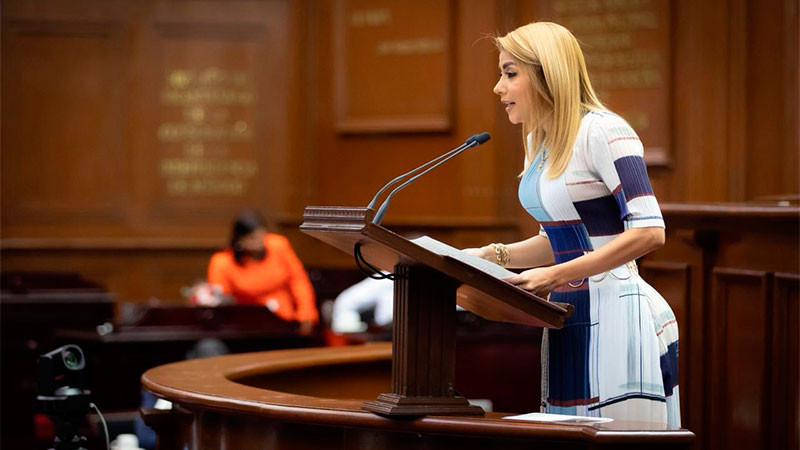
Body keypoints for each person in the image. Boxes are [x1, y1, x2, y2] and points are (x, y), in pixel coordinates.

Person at [465, 22, 680, 426]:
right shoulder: (539, 142)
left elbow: (650, 230)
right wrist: (492, 255)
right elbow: (561, 238)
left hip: (617, 310)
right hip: (568, 311)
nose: (498, 88)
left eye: (510, 73)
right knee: (569, 431)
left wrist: (552, 275)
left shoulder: (605, 131)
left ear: (547, 75)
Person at [207, 210, 318, 334]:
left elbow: (298, 280)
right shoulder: (222, 262)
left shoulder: (278, 245)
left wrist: (306, 313)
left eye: (262, 236)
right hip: (244, 325)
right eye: (252, 238)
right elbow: (220, 300)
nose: (260, 242)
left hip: (284, 321)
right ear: (240, 239)